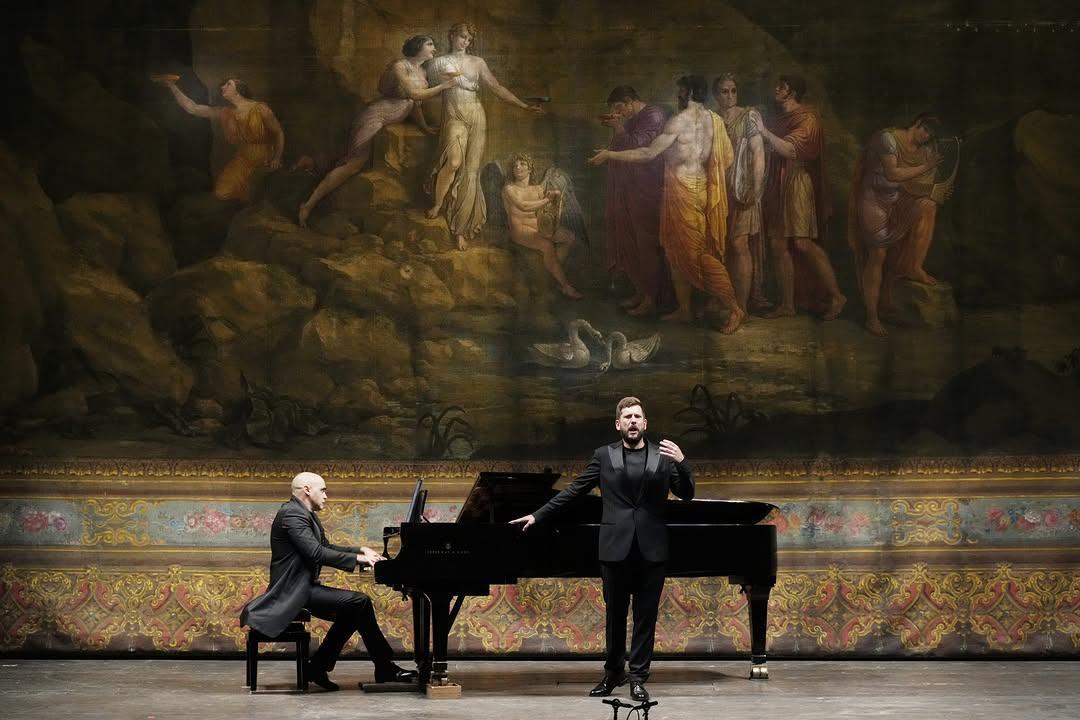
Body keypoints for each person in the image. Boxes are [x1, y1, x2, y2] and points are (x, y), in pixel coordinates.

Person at [510, 397, 694, 703]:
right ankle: (613, 674)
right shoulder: (603, 456)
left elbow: (686, 495)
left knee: (645, 617)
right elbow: (573, 491)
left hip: (652, 548)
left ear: (645, 424)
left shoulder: (663, 458)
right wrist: (537, 515)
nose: (633, 421)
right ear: (618, 424)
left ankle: (638, 678)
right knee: (615, 616)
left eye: (638, 416)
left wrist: (682, 462)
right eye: (627, 417)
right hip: (614, 548)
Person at [590, 75, 745, 334]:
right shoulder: (715, 122)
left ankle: (735, 308)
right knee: (674, 254)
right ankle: (684, 310)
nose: (677, 96)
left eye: (680, 92)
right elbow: (726, 159)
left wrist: (609, 154)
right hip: (697, 192)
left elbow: (648, 153)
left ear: (689, 94)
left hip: (684, 194)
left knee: (698, 257)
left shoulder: (679, 122)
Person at [240, 472, 417, 691]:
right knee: (359, 603)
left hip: (303, 588)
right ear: (307, 490)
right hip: (292, 591)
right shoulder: (291, 515)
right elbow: (316, 553)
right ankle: (382, 666)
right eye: (323, 490)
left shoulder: (306, 514)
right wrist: (358, 559)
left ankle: (320, 667)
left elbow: (327, 547)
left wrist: (360, 550)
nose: (326, 495)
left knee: (354, 609)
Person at [297, 35, 459, 228]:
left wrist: (424, 127)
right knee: (355, 163)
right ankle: (307, 205)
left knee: (352, 161)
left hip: (386, 119)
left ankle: (312, 174)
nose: (434, 47)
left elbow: (414, 104)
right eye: (430, 44)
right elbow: (413, 94)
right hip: (375, 116)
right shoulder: (399, 66)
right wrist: (444, 86)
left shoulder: (422, 73)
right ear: (418, 47)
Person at [426, 22, 544, 251]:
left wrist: (523, 106)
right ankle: (438, 202)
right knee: (453, 162)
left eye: (469, 39)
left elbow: (497, 87)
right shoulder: (439, 61)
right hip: (454, 115)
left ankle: (460, 229)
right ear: (451, 36)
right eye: (462, 37)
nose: (465, 42)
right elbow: (423, 86)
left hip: (476, 115)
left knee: (470, 171)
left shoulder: (478, 63)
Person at [753, 74, 846, 320]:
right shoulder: (780, 118)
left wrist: (763, 131)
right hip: (777, 183)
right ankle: (787, 305)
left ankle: (837, 296)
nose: (776, 89)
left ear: (791, 92)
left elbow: (791, 149)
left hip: (796, 183)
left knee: (802, 243)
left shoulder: (808, 118)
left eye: (781, 86)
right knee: (778, 244)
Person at [850, 113, 945, 336]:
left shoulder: (924, 151)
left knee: (928, 206)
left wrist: (930, 183)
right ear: (917, 124)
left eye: (930, 135)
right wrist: (925, 168)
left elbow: (924, 182)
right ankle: (872, 317)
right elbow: (893, 174)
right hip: (873, 200)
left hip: (897, 199)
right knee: (877, 256)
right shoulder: (887, 139)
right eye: (925, 130)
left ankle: (915, 267)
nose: (926, 136)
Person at [600, 86, 672, 316]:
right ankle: (642, 292)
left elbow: (639, 148)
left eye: (619, 107)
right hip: (631, 189)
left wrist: (619, 128)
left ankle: (652, 299)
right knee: (631, 242)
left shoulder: (654, 115)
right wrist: (618, 128)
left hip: (648, 189)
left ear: (630, 101)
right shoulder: (633, 117)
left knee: (647, 245)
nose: (618, 112)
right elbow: (622, 146)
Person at [160, 77, 284, 202]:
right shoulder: (226, 112)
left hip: (265, 158)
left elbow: (278, 132)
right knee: (221, 192)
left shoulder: (260, 108)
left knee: (254, 194)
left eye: (228, 84)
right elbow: (193, 108)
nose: (222, 87)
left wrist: (277, 157)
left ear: (238, 90)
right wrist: (172, 86)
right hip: (243, 159)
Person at [713, 74, 768, 314]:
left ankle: (742, 306)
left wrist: (755, 188)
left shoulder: (749, 116)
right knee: (719, 246)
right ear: (716, 95)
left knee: (739, 244)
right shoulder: (713, 118)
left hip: (742, 188)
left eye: (733, 91)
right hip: (718, 190)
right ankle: (724, 300)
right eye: (724, 92)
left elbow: (757, 153)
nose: (730, 96)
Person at [501, 153, 582, 298]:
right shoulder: (509, 189)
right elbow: (523, 206)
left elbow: (550, 211)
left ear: (530, 169)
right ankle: (565, 286)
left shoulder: (537, 189)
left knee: (569, 237)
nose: (518, 167)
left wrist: (556, 196)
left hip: (538, 228)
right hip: (520, 230)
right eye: (515, 165)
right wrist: (546, 200)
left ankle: (550, 273)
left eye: (522, 164)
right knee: (547, 245)